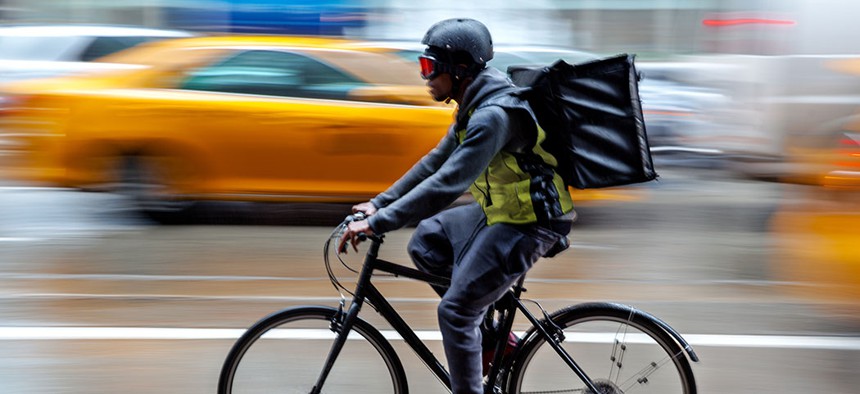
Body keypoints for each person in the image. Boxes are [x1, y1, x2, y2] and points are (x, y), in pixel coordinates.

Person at [338, 17, 575, 394]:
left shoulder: (493, 116)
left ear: (459, 68)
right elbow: (434, 162)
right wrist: (378, 204)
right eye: (422, 66)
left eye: (429, 68)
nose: (425, 77)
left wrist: (380, 222)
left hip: (533, 221)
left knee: (455, 311)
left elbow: (448, 183)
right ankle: (495, 341)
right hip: (503, 211)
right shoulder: (474, 104)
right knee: (427, 242)